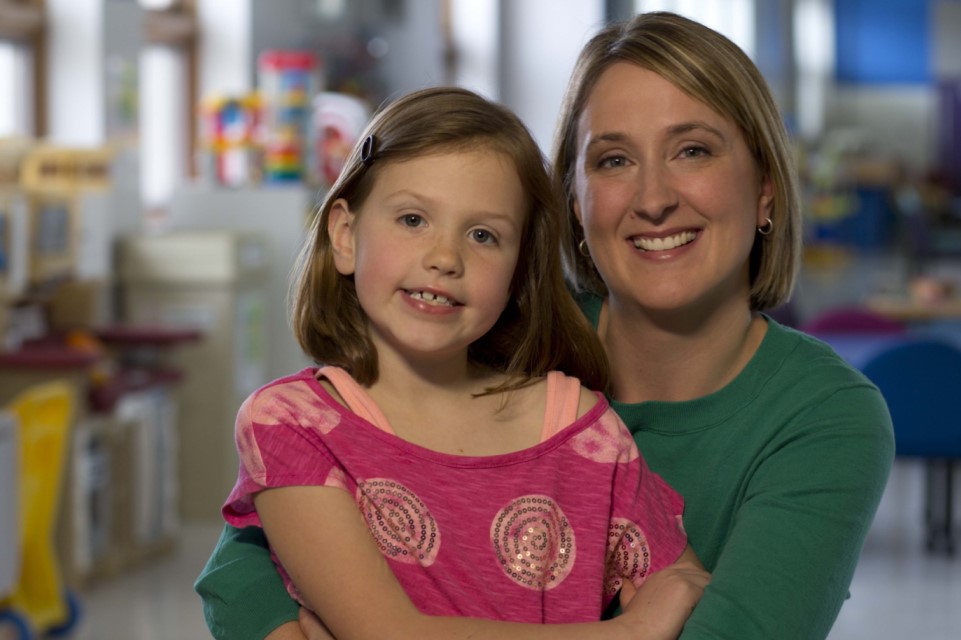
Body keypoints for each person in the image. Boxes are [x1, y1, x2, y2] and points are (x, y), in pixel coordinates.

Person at [196, 12, 895, 639]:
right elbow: (249, 556)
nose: (653, 198)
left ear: (765, 190)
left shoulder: (823, 418)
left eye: (692, 150)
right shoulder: (496, 328)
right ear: (575, 207)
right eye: (614, 160)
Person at [214, 85, 709, 640]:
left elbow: (685, 583)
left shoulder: (581, 429)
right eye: (412, 220)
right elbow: (386, 633)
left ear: (518, 272)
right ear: (346, 236)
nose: (445, 258)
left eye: (483, 235)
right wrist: (630, 634)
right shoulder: (294, 425)